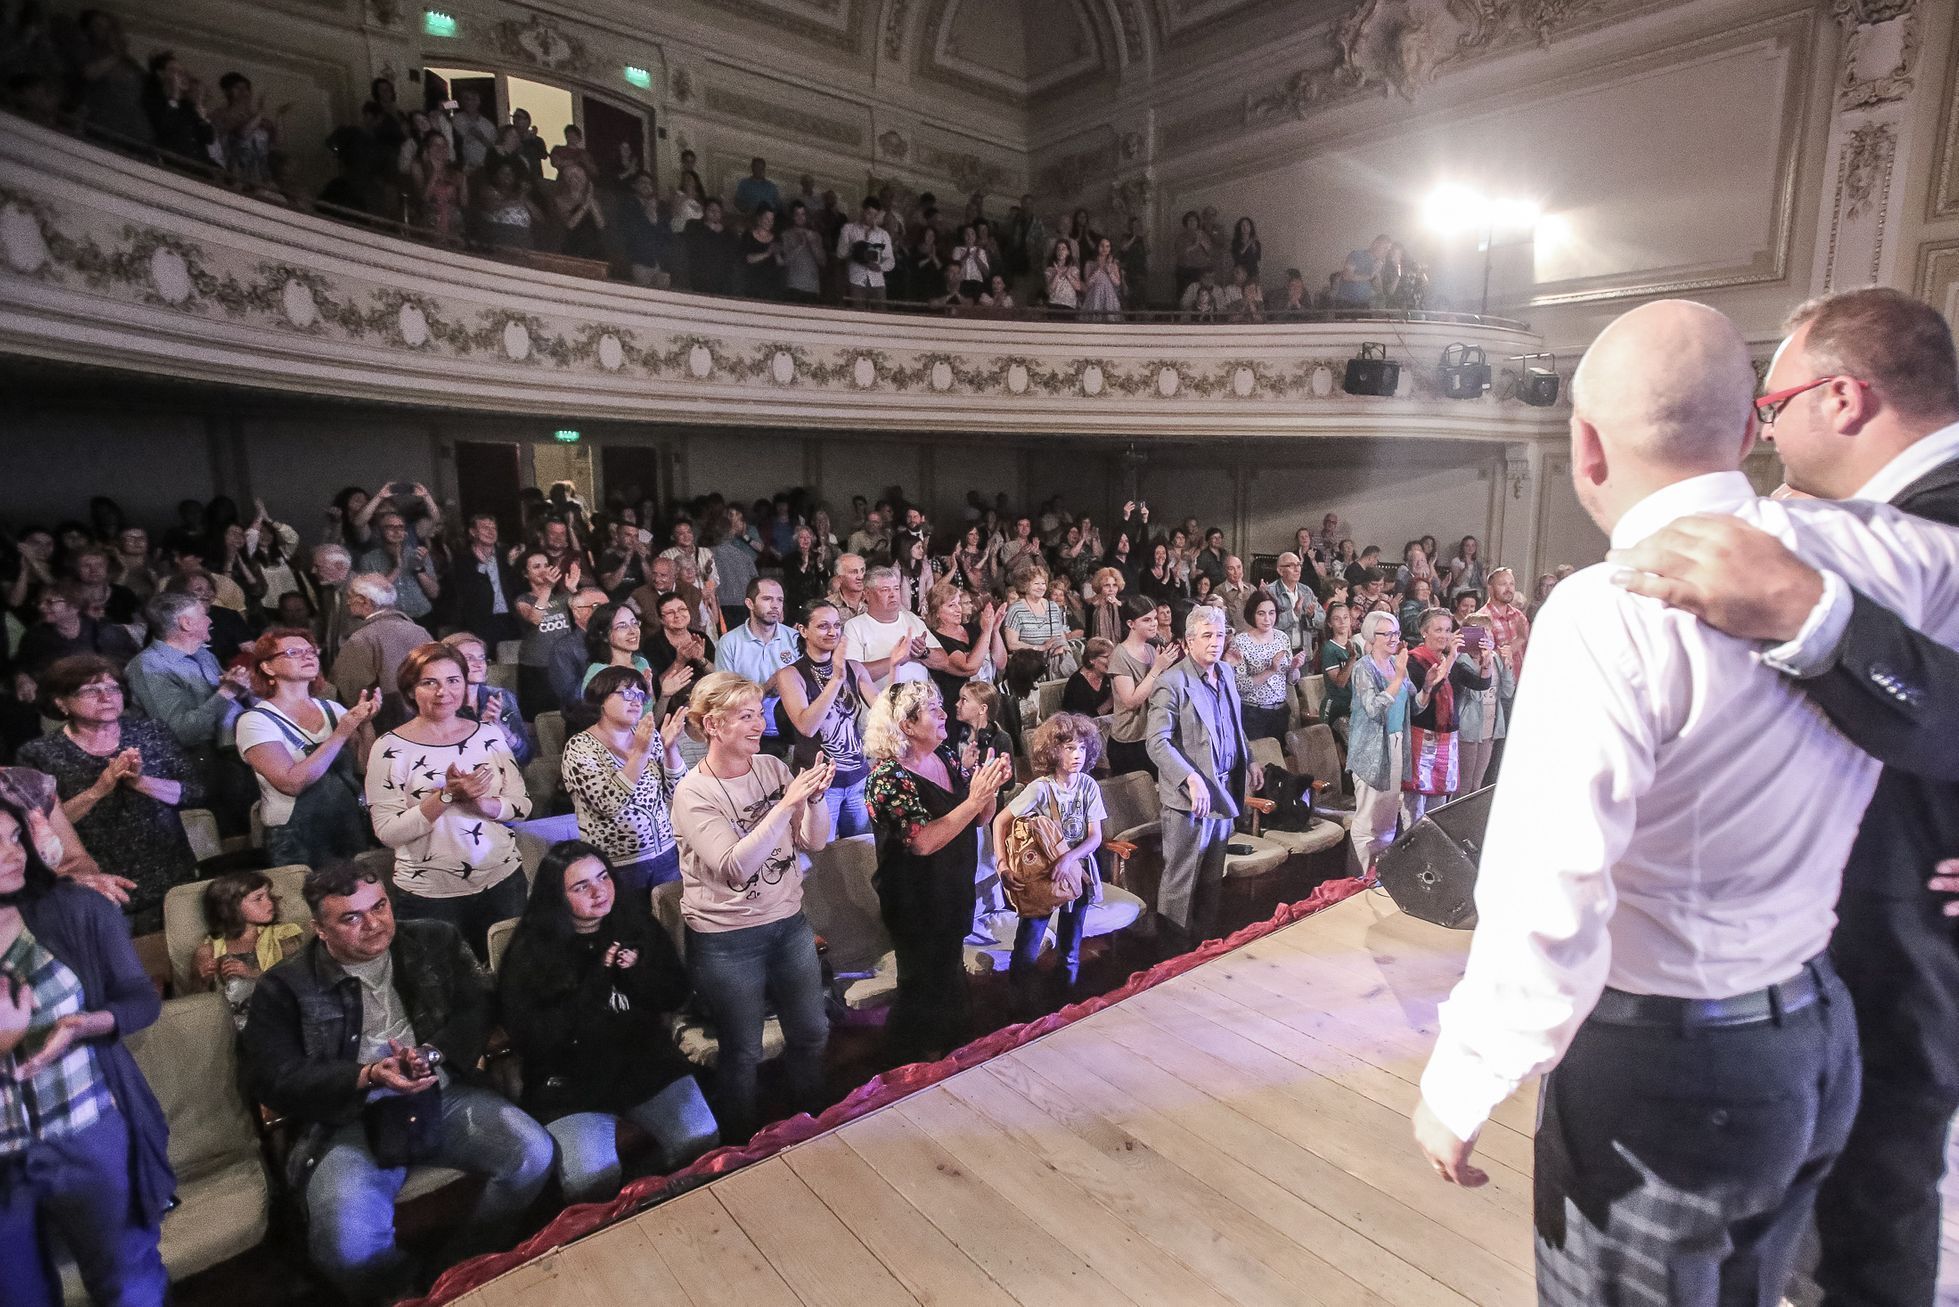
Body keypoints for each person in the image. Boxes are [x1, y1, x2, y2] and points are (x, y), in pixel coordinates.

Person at [1407, 299, 1959, 1304]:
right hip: (1815, 1031)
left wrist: (1467, 1075)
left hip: (1664, 1065)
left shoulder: (1602, 610)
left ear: (1585, 446)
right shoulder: (1876, 553)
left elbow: (1550, 887)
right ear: (1750, 431)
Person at [1603, 287, 1959, 1304]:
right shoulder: (1846, 522)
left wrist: (1812, 611)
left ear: (1843, 399)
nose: (1763, 429)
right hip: (1818, 968)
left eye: (1775, 403)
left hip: (1889, 957)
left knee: (1867, 1231)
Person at [243, 861, 553, 1305]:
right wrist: (364, 1075)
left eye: (380, 906)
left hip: (441, 1095)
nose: (374, 924)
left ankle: (461, 1267)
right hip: (348, 1120)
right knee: (346, 1245)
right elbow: (273, 1077)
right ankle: (400, 1290)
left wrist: (433, 1052)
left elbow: (480, 1003)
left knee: (533, 1154)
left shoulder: (431, 938)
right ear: (320, 929)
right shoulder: (284, 985)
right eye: (351, 918)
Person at [0, 794, 173, 1307]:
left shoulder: (76, 908)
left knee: (127, 1283)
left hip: (86, 1130)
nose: (13, 853)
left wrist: (86, 1024)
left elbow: (140, 998)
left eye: (13, 837)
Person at [497, 841, 719, 1202]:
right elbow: (535, 1040)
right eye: (581, 886)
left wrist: (639, 971)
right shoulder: (532, 950)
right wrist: (597, 982)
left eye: (603, 877)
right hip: (571, 1082)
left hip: (643, 1064)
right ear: (557, 895)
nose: (599, 891)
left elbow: (675, 994)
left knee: (700, 1136)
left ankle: (654, 1197)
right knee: (591, 1175)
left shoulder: (633, 923)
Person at [668, 673, 834, 1140]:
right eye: (746, 716)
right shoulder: (692, 792)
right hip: (727, 941)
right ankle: (740, 1147)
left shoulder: (772, 769)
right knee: (742, 1052)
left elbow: (813, 842)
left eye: (759, 713)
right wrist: (786, 806)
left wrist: (815, 801)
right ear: (713, 725)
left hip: (787, 925)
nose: (759, 724)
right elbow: (733, 867)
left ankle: (813, 1125)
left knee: (811, 1032)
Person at [865, 682, 1012, 1064]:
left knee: (948, 978)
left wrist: (988, 786)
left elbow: (979, 818)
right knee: (922, 988)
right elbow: (923, 842)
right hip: (915, 900)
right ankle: (909, 1068)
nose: (944, 713)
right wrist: (975, 798)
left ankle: (953, 1058)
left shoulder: (944, 756)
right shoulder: (887, 779)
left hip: (951, 889)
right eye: (932, 709)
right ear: (907, 725)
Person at [364, 644, 531, 959]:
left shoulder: (488, 735)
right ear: (411, 691)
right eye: (430, 683)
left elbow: (522, 806)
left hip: (503, 882)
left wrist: (483, 805)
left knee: (514, 978)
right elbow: (387, 832)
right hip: (430, 895)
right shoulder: (389, 748)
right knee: (442, 995)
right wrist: (446, 796)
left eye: (454, 681)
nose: (444, 692)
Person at [22, 656, 203, 935]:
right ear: (61, 702)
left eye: (113, 688)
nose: (106, 697)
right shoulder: (39, 754)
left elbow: (195, 791)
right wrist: (99, 790)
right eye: (91, 691)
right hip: (99, 882)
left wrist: (141, 782)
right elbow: (42, 828)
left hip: (170, 870)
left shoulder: (150, 731)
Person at [1145, 606, 1257, 948]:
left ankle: (1205, 950)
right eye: (1207, 635)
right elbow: (1156, 742)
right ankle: (1171, 956)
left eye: (1220, 635)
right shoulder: (1171, 682)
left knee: (1211, 878)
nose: (1215, 642)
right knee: (1181, 881)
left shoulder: (1224, 671)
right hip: (1189, 800)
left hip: (1223, 791)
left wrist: (1249, 759)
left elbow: (1233, 725)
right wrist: (1190, 778)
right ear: (1188, 640)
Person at [991, 713, 1104, 1018]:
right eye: (1069, 748)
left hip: (1076, 872)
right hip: (1042, 875)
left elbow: (1095, 837)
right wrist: (1002, 864)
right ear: (1053, 751)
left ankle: (1064, 1006)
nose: (1076, 755)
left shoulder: (1089, 786)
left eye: (1081, 748)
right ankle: (1020, 1010)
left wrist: (1070, 858)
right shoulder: (1041, 788)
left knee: (1071, 944)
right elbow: (1001, 820)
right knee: (1028, 944)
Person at [237, 629, 377, 869]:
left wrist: (365, 725)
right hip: (295, 840)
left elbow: (367, 766)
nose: (308, 656)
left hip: (348, 827)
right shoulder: (255, 721)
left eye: (311, 651)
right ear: (268, 667)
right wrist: (342, 731)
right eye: (294, 652)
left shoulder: (331, 708)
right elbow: (291, 783)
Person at [562, 667, 690, 907]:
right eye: (626, 694)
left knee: (669, 931)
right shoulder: (580, 747)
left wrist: (670, 749)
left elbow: (680, 791)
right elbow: (608, 803)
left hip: (666, 855)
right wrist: (639, 754)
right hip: (617, 865)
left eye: (640, 694)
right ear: (601, 699)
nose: (636, 701)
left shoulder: (647, 737)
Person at [774, 599, 876, 840]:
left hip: (857, 778)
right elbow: (806, 726)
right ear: (803, 630)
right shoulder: (790, 674)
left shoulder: (855, 668)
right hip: (818, 784)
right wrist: (836, 680)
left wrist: (895, 665)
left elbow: (884, 710)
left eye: (837, 625)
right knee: (820, 851)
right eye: (823, 626)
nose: (833, 632)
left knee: (860, 851)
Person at [1400, 609, 1492, 825]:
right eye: (1438, 629)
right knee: (1415, 812)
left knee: (1438, 811)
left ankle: (1432, 852)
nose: (1444, 635)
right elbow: (1431, 688)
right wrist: (1451, 657)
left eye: (1448, 630)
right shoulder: (1413, 662)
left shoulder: (1454, 662)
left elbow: (1481, 684)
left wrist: (1486, 661)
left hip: (1446, 742)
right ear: (1424, 632)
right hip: (1420, 739)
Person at [193, 868, 306, 1029]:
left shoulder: (283, 935)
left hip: (284, 1020)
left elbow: (301, 981)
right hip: (233, 1029)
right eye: (258, 898)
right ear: (231, 907)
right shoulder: (208, 950)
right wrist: (202, 980)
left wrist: (253, 974)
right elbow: (197, 1006)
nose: (269, 902)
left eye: (268, 895)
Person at [1343, 611, 1412, 874]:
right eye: (1388, 634)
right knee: (1368, 822)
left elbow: (1413, 701)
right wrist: (1397, 680)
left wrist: (1432, 680)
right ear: (1373, 636)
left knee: (1386, 820)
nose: (1394, 638)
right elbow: (1373, 708)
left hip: (1396, 744)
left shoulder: (1396, 664)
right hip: (1371, 750)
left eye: (1396, 633)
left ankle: (1377, 875)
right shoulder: (1363, 667)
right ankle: (1357, 879)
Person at [714, 578, 800, 757]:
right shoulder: (729, 643)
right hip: (748, 735)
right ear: (749, 603)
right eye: (767, 599)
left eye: (780, 600)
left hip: (793, 732)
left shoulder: (795, 639)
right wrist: (766, 687)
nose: (775, 605)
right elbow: (724, 698)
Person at [329, 574, 435, 712]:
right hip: (425, 714)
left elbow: (349, 691)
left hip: (383, 723)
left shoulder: (361, 639)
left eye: (350, 597)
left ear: (365, 602)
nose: (347, 602)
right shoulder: (420, 632)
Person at [843, 566, 940, 699]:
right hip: (880, 710)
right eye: (885, 590)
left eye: (896, 588)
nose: (893, 594)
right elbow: (852, 673)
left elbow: (944, 660)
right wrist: (898, 659)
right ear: (867, 594)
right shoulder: (855, 626)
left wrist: (923, 652)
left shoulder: (911, 619)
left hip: (920, 709)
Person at [441, 632, 535, 767]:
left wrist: (501, 729)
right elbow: (447, 763)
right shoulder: (441, 704)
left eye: (482, 658)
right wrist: (482, 729)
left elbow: (525, 757)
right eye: (469, 658)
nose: (479, 664)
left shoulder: (501, 697)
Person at [1106, 596, 1175, 777]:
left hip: (1151, 735)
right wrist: (1157, 668)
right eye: (1146, 620)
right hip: (1128, 741)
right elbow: (1130, 701)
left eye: (1154, 618)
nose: (1153, 624)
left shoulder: (1152, 650)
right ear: (1131, 623)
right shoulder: (1120, 655)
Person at [1454, 615, 1513, 795]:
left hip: (1491, 724)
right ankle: (1457, 821)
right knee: (1464, 784)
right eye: (1479, 632)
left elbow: (1507, 692)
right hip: (1469, 725)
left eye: (1487, 632)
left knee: (1477, 785)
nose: (1484, 637)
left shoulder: (1495, 658)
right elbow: (1475, 694)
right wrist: (1483, 664)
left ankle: (1471, 821)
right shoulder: (1461, 659)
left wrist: (1507, 665)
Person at [513, 548, 574, 719]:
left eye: (546, 565)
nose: (543, 570)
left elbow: (587, 613)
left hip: (562, 665)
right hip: (536, 669)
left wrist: (573, 589)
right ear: (526, 574)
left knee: (565, 714)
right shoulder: (523, 600)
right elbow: (535, 618)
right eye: (536, 566)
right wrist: (547, 587)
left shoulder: (561, 597)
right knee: (536, 718)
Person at [646, 591, 715, 717]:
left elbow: (717, 674)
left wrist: (701, 659)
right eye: (670, 613)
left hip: (705, 699)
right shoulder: (651, 644)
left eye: (682, 609)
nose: (677, 615)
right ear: (661, 619)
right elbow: (658, 685)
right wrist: (680, 661)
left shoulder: (701, 637)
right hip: (672, 707)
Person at [580, 600, 651, 693]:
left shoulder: (641, 663)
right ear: (604, 636)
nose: (633, 631)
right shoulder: (599, 672)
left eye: (635, 623)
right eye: (622, 626)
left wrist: (665, 695)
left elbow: (649, 706)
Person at [1475, 566, 1530, 674]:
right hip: (1497, 685)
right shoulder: (1482, 619)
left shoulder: (1519, 616)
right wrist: (1519, 640)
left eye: (1511, 584)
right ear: (1490, 588)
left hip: (1520, 682)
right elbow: (1483, 659)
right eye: (1503, 584)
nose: (1509, 589)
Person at [1316, 601, 1359, 739]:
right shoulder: (1329, 648)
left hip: (1354, 705)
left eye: (1345, 617)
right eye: (1336, 618)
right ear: (1329, 623)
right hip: (1337, 707)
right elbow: (1339, 682)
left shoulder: (1356, 645)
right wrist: (1351, 659)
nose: (1342, 622)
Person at [1061, 637, 1115, 717]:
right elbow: (1085, 720)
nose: (1112, 660)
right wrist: (1111, 701)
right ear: (1091, 659)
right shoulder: (1077, 683)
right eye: (1107, 657)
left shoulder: (1108, 677)